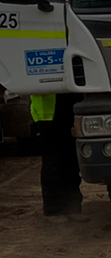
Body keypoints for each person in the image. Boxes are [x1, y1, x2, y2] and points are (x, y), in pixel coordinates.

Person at [30, 93, 84, 221]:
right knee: (53, 163)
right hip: (47, 117)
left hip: (69, 109)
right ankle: (53, 210)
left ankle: (73, 208)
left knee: (71, 162)